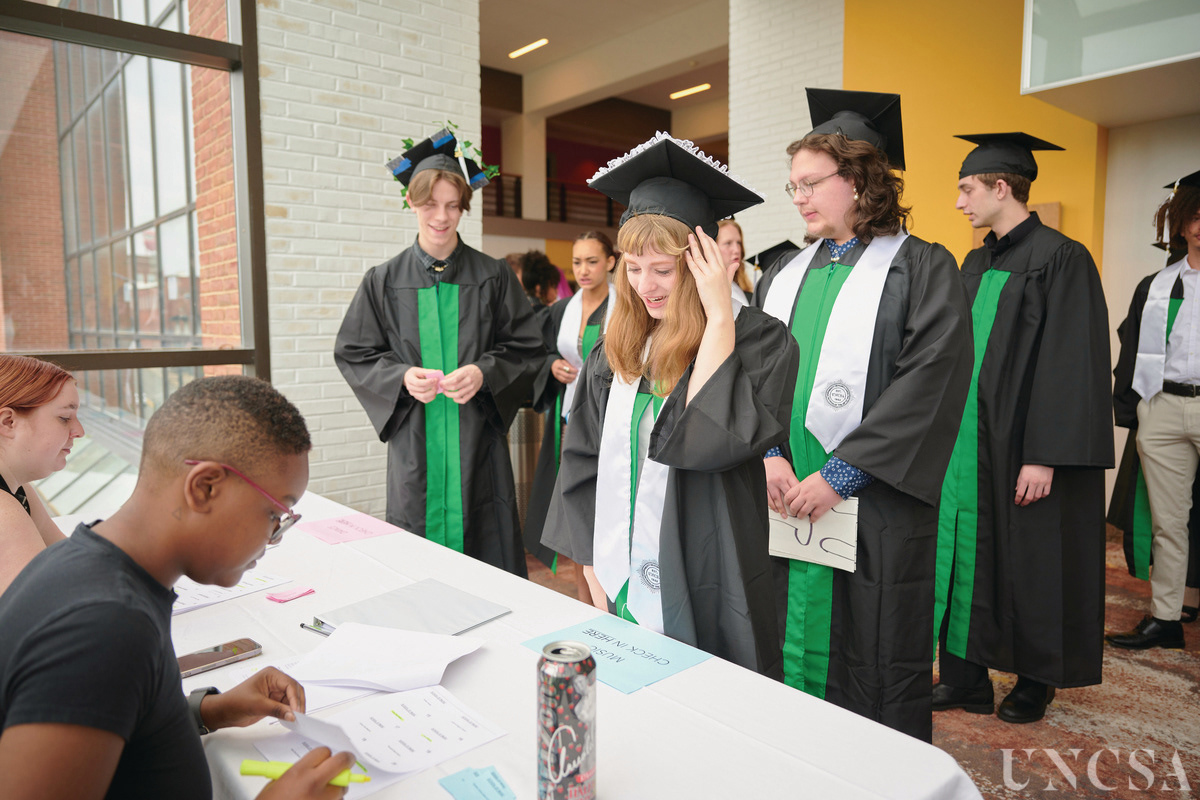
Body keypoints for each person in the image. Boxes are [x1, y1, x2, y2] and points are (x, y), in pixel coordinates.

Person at [0, 376, 354, 800]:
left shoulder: (90, 564)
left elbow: (109, 720)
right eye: (275, 514)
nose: (274, 537)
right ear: (204, 488)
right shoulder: (104, 628)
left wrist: (210, 710)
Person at [753, 89, 973, 742]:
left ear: (858, 179)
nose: (799, 198)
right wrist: (769, 453)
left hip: (874, 504)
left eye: (811, 183)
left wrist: (840, 475)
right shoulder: (783, 273)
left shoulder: (922, 267)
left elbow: (930, 381)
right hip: (782, 494)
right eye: (793, 186)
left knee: (872, 650)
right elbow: (750, 374)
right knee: (779, 636)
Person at [544, 133, 799, 676]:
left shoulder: (762, 342)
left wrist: (719, 316)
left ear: (700, 261)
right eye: (634, 268)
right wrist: (588, 557)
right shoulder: (618, 345)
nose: (646, 286)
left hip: (712, 568)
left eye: (663, 269)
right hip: (615, 562)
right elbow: (582, 455)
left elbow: (710, 442)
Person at [932, 132, 1114, 725]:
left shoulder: (1063, 257)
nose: (959, 202)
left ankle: (1036, 680)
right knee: (965, 554)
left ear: (1002, 187)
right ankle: (965, 678)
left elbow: (1074, 361)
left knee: (1034, 559)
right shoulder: (975, 261)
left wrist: (1044, 454)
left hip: (1025, 445)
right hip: (969, 444)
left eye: (967, 189)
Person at [335, 126, 546, 576]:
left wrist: (485, 372)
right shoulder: (383, 281)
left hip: (478, 444)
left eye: (452, 205)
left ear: (464, 207)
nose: (441, 216)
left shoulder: (493, 277)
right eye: (430, 204)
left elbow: (527, 348)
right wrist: (400, 377)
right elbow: (355, 352)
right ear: (411, 201)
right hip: (416, 445)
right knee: (418, 561)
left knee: (486, 554)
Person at [1108, 169, 1200, 648]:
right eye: (1195, 216)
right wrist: (1136, 410)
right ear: (1181, 223)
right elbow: (1132, 350)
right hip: (1163, 407)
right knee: (1168, 521)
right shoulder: (1158, 285)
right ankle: (1166, 619)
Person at [524, 233, 617, 597]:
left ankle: (608, 600)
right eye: (577, 262)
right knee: (575, 513)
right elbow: (538, 350)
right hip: (568, 423)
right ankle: (585, 600)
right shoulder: (562, 309)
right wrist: (552, 365)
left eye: (592, 261)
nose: (583, 270)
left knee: (604, 512)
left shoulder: (625, 306)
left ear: (610, 262)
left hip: (609, 423)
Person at [0, 355, 85, 594]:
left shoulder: (18, 489)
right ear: (8, 422)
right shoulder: (3, 509)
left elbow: (71, 561)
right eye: (64, 418)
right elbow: (50, 602)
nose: (79, 431)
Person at [716, 219, 755, 303]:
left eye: (738, 243)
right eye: (728, 243)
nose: (736, 250)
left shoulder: (744, 291)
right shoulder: (709, 292)